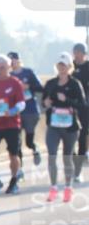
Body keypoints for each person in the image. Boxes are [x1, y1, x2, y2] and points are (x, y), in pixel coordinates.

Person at [41, 52, 86, 203]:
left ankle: (68, 187)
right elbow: (43, 102)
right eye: (59, 65)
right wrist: (45, 103)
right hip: (53, 125)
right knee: (52, 156)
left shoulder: (75, 84)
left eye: (64, 66)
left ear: (69, 67)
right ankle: (53, 188)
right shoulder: (50, 84)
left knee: (67, 158)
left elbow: (82, 104)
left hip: (70, 127)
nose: (62, 68)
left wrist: (67, 100)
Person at [0, 54, 26, 196]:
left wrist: (13, 111)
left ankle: (14, 180)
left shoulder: (15, 83)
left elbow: (22, 103)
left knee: (13, 155)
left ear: (9, 67)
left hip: (11, 124)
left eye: (2, 67)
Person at [8, 51, 44, 175]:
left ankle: (35, 149)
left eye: (13, 60)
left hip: (30, 111)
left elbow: (40, 88)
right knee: (17, 142)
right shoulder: (9, 76)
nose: (12, 63)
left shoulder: (28, 72)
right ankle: (19, 170)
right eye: (9, 61)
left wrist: (28, 86)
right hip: (16, 113)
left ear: (18, 60)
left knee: (28, 141)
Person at [72, 42, 89, 183]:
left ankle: (78, 169)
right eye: (75, 52)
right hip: (70, 105)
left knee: (83, 133)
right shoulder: (69, 67)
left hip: (85, 105)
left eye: (79, 52)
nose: (76, 54)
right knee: (69, 136)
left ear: (84, 53)